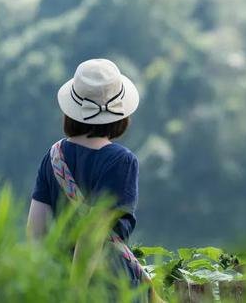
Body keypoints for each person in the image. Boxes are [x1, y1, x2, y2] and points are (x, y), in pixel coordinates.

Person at [26, 58, 162, 301]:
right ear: (121, 115)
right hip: (107, 287)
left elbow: (36, 232)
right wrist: (76, 291)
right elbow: (92, 233)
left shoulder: (54, 156)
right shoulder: (121, 161)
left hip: (56, 282)